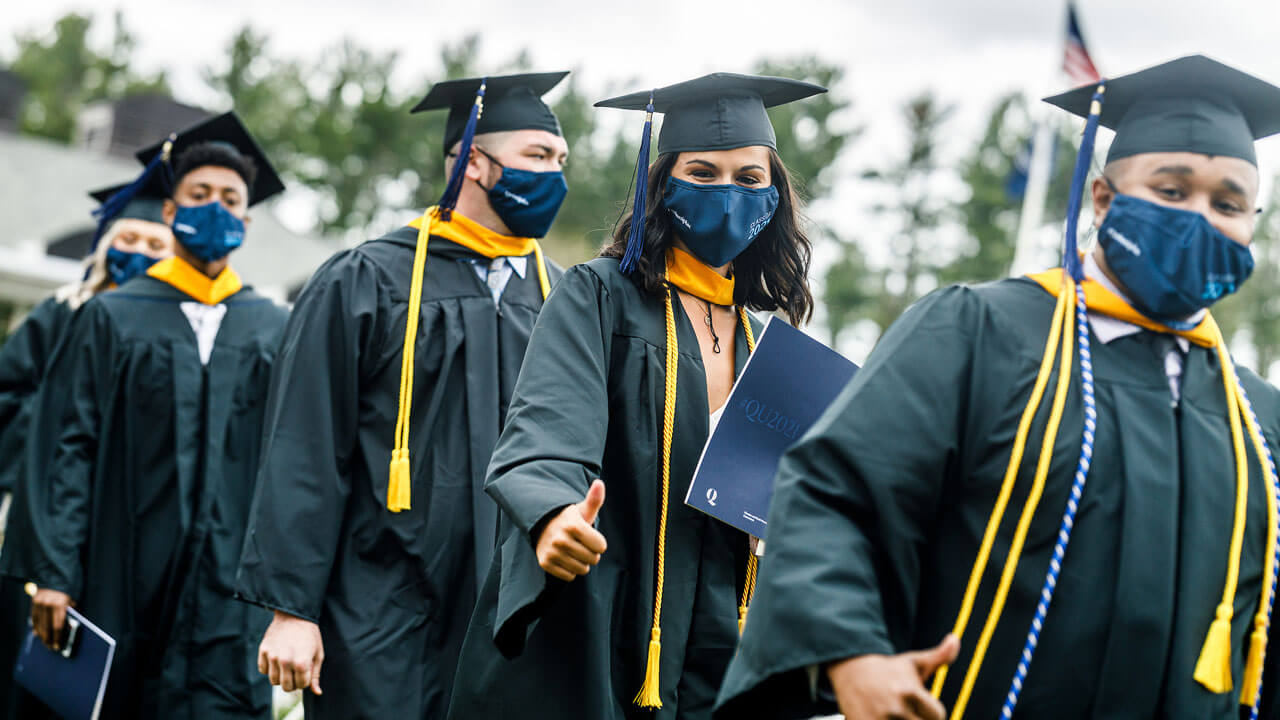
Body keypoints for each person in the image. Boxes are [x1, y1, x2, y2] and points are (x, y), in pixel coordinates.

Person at [714, 55, 1280, 720]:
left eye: (1230, 203)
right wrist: (852, 653)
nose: (1201, 219)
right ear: (1103, 199)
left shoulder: (1257, 420)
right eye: (1172, 190)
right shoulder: (979, 331)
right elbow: (836, 494)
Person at [446, 72, 823, 720]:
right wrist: (554, 512)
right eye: (702, 173)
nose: (727, 194)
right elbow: (547, 425)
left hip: (714, 642)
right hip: (602, 617)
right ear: (662, 183)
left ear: (775, 195)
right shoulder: (598, 296)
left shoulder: (771, 350)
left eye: (749, 178)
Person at [235, 72, 570, 720]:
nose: (554, 175)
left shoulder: (562, 298)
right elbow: (306, 444)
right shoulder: (366, 279)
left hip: (516, 608)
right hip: (381, 606)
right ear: (475, 161)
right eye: (537, 157)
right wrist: (292, 610)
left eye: (559, 161)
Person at [15, 111, 289, 719]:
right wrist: (54, 571)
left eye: (229, 198)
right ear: (171, 211)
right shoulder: (113, 317)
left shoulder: (273, 327)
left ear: (245, 220)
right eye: (199, 195)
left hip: (227, 598)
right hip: (117, 578)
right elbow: (69, 445)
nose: (214, 208)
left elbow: (292, 465)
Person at [0, 175, 173, 718]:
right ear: (105, 242)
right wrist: (63, 423)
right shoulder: (63, 311)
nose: (138, 252)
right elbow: (9, 395)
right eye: (129, 239)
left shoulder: (172, 331)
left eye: (154, 244)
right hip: (44, 511)